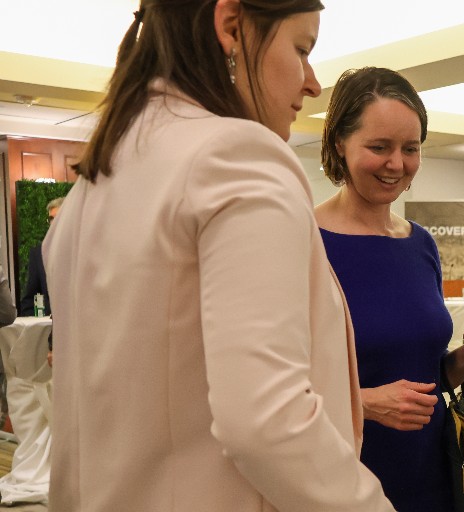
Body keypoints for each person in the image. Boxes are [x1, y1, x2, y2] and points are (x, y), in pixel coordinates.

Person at [43, 2, 394, 511]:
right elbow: (266, 421)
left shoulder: (95, 184)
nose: (313, 83)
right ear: (231, 27)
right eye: (301, 49)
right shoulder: (235, 156)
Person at [316, 66, 464, 511]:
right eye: (379, 147)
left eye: (411, 149)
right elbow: (265, 392)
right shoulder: (303, 240)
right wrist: (362, 403)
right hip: (341, 475)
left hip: (431, 471)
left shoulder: (419, 243)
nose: (397, 165)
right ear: (340, 143)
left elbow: (428, 378)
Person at [18, 196, 63, 317]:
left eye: (57, 218)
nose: (53, 222)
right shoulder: (39, 254)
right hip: (49, 326)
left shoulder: (81, 249)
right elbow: (28, 302)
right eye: (51, 218)